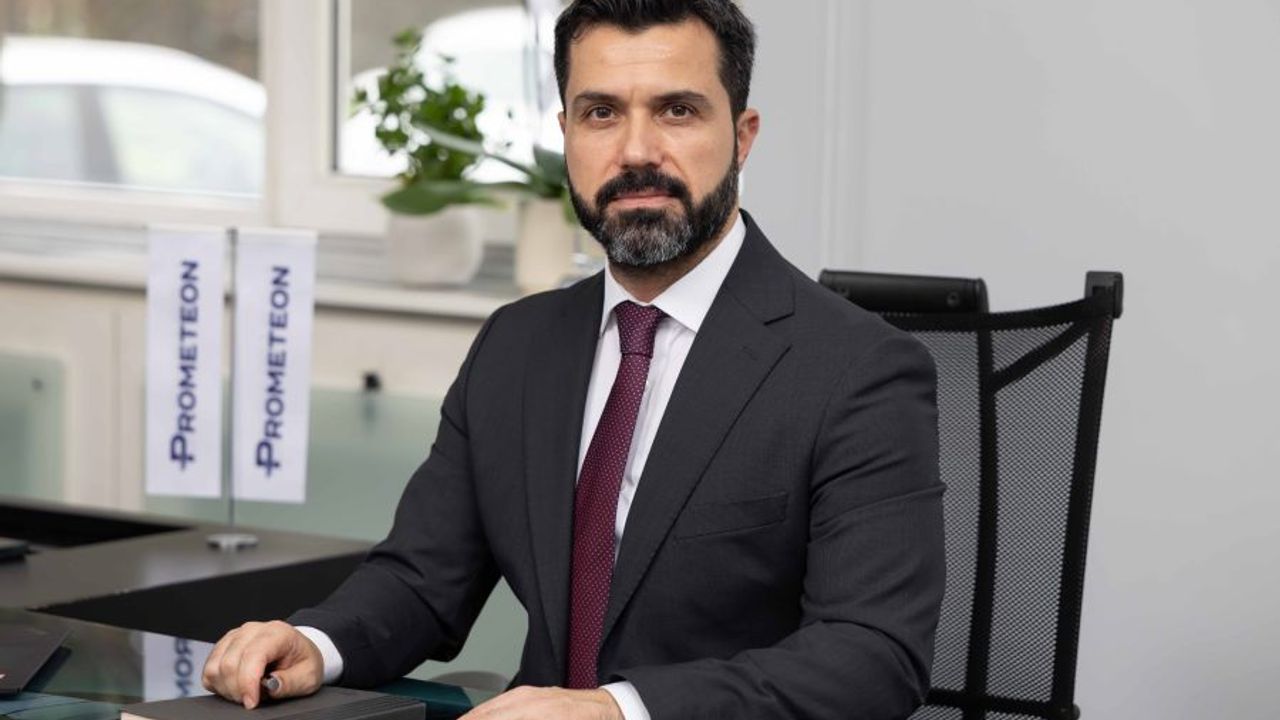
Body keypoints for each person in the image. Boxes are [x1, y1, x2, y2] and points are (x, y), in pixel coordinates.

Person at [202, 1, 945, 718]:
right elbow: (423, 579)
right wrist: (317, 643)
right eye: (601, 113)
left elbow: (871, 657)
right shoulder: (516, 344)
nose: (636, 151)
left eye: (677, 111)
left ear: (742, 136)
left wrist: (616, 711)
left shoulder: (859, 370)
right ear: (566, 134)